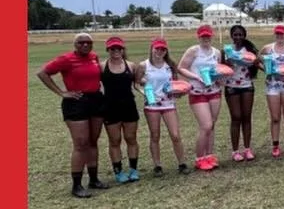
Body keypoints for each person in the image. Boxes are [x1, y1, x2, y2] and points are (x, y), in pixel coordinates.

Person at [38, 31, 109, 198]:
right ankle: (76, 185)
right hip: (76, 102)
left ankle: (93, 179)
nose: (85, 45)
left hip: (96, 100)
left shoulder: (94, 57)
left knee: (93, 141)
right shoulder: (66, 59)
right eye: (81, 42)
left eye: (88, 42)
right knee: (81, 143)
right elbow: (42, 73)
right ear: (75, 44)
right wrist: (62, 93)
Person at [141, 37, 188, 174]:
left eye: (163, 49)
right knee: (155, 135)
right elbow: (136, 83)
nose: (160, 51)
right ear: (152, 49)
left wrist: (179, 92)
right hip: (152, 106)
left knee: (175, 135)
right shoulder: (144, 65)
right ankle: (157, 165)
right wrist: (146, 94)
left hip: (168, 103)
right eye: (157, 48)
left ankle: (182, 163)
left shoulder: (171, 65)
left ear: (166, 50)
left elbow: (175, 85)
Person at [97, 36, 141, 183]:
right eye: (112, 49)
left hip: (129, 106)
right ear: (108, 50)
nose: (116, 51)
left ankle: (133, 170)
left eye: (118, 48)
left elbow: (138, 84)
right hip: (110, 108)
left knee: (131, 139)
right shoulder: (101, 66)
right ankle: (118, 171)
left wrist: (149, 93)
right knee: (114, 141)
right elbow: (93, 84)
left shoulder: (131, 66)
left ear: (123, 49)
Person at [223, 24, 260, 161]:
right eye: (235, 34)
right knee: (236, 117)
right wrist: (227, 63)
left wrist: (260, 63)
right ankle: (235, 151)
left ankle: (247, 149)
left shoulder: (249, 50)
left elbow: (258, 64)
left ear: (244, 36)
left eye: (240, 34)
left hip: (247, 86)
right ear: (231, 36)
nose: (238, 37)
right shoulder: (226, 50)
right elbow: (219, 68)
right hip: (231, 86)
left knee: (246, 116)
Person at [261, 24, 284, 156]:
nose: (279, 36)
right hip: (272, 86)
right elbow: (257, 61)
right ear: (274, 34)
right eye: (277, 34)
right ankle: (275, 145)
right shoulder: (267, 48)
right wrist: (266, 70)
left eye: (282, 34)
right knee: (275, 117)